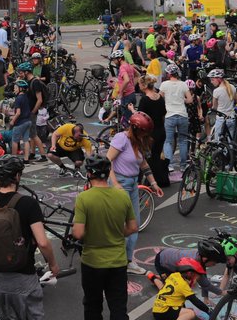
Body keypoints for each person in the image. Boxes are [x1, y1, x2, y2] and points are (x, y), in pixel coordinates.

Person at [0, 155, 58, 319]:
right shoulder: (28, 203)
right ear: (17, 176)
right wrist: (53, 265)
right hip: (23, 277)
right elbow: (42, 242)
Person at [72, 152, 136, 320]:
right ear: (109, 173)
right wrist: (116, 233)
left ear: (89, 174)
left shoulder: (84, 198)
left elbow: (78, 233)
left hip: (92, 261)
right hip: (118, 261)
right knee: (118, 306)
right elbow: (133, 227)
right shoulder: (122, 195)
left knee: (93, 305)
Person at [107, 111, 163, 271]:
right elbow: (108, 160)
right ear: (136, 129)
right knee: (121, 224)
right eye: (144, 132)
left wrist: (154, 183)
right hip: (120, 182)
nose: (146, 135)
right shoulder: (121, 138)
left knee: (134, 224)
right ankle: (117, 261)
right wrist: (115, 183)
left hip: (132, 183)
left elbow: (143, 163)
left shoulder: (138, 141)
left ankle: (128, 260)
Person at [159, 66, 192, 173]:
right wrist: (182, 99)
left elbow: (159, 98)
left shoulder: (164, 85)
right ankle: (183, 165)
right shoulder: (183, 84)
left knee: (168, 141)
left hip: (169, 115)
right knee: (183, 141)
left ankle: (170, 165)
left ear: (169, 74)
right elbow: (190, 100)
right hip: (182, 115)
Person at [207, 69, 237, 144]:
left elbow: (214, 107)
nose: (211, 82)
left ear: (219, 79)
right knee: (230, 143)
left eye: (212, 80)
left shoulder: (217, 91)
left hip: (221, 120)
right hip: (231, 118)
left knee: (218, 142)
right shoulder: (232, 87)